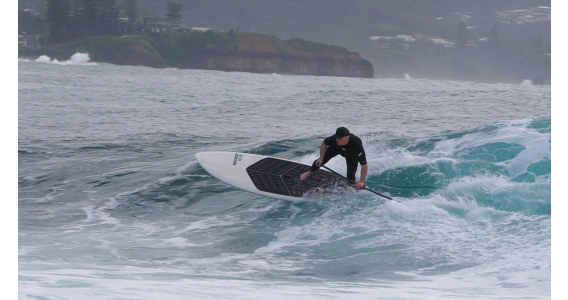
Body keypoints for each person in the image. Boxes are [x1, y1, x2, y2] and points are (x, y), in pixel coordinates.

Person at [300, 127, 367, 188]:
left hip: (351, 155)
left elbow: (364, 165)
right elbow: (324, 143)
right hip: (335, 149)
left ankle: (351, 188)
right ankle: (309, 172)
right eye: (337, 137)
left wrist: (361, 181)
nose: (337, 139)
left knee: (350, 176)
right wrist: (321, 158)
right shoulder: (333, 139)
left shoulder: (356, 142)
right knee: (320, 161)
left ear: (347, 137)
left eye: (340, 138)